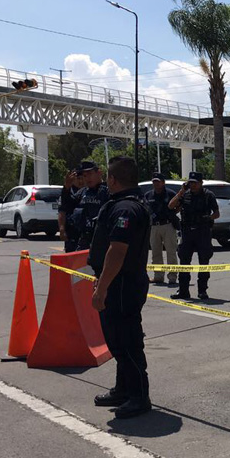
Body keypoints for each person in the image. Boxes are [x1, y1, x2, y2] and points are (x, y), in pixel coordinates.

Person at [89, 156, 152, 419]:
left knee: (125, 341)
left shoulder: (125, 209)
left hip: (122, 285)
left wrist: (101, 288)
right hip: (123, 282)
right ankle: (123, 389)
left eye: (107, 178)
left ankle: (139, 396)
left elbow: (117, 251)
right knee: (118, 339)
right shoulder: (130, 204)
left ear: (113, 180)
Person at [168, 171, 219, 300]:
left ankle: (202, 290)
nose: (193, 185)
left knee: (204, 262)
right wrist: (181, 191)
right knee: (184, 262)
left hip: (203, 232)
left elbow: (217, 213)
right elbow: (171, 206)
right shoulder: (185, 195)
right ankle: (183, 291)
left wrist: (208, 218)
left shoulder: (208, 195)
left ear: (201, 183)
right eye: (191, 183)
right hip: (187, 233)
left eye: (195, 183)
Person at [63, 160, 111, 250]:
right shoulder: (83, 192)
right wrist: (66, 188)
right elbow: (67, 206)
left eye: (89, 174)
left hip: (101, 239)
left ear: (99, 173)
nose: (87, 178)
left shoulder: (107, 192)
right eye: (84, 175)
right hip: (84, 238)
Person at [145, 172, 179, 285]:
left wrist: (173, 213)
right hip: (154, 226)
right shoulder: (148, 195)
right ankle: (158, 276)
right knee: (155, 253)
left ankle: (172, 277)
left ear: (163, 182)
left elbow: (179, 205)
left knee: (171, 252)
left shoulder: (170, 194)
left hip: (168, 225)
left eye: (158, 181)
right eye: (154, 181)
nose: (156, 184)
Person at [57, 165, 85, 252]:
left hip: (85, 232)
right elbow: (62, 211)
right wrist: (62, 229)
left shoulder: (89, 191)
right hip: (72, 231)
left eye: (82, 178)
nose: (80, 181)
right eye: (78, 178)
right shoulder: (67, 192)